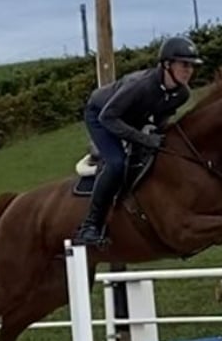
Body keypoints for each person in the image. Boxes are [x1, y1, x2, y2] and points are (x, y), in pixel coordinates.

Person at [73, 36, 204, 246]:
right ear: (167, 64)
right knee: (116, 163)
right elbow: (108, 118)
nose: (189, 70)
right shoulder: (140, 85)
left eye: (192, 66)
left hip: (130, 117)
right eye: (184, 65)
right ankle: (90, 226)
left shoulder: (182, 94)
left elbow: (161, 118)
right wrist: (143, 138)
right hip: (101, 115)